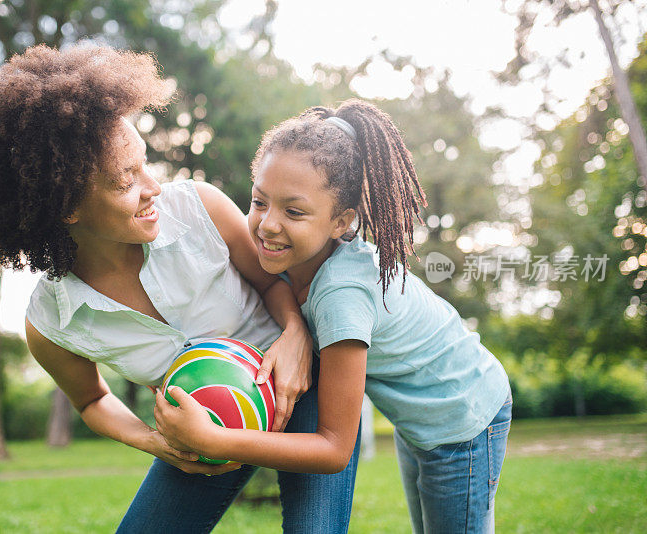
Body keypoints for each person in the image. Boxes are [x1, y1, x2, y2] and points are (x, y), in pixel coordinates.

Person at [0, 44, 360, 533]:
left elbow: (271, 281)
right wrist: (157, 441)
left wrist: (295, 334)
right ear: (66, 206)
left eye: (144, 165)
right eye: (125, 180)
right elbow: (92, 402)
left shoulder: (200, 208)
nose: (152, 188)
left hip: (299, 386)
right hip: (197, 429)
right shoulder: (50, 321)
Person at [155, 99, 512, 533]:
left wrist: (214, 440)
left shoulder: (342, 293)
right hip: (423, 417)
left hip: (463, 416)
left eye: (294, 211)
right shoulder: (290, 261)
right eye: (259, 202)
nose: (267, 224)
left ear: (341, 222)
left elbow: (334, 449)